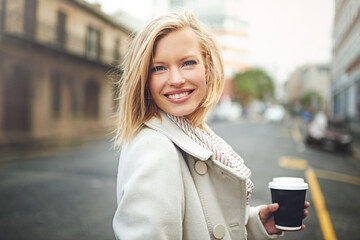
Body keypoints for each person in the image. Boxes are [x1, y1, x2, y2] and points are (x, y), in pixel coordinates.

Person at [112, 11, 309, 240]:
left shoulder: (193, 132)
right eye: (159, 68)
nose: (176, 79)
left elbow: (204, 221)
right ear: (144, 79)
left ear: (207, 67)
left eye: (187, 63)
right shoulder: (155, 147)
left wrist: (255, 225)